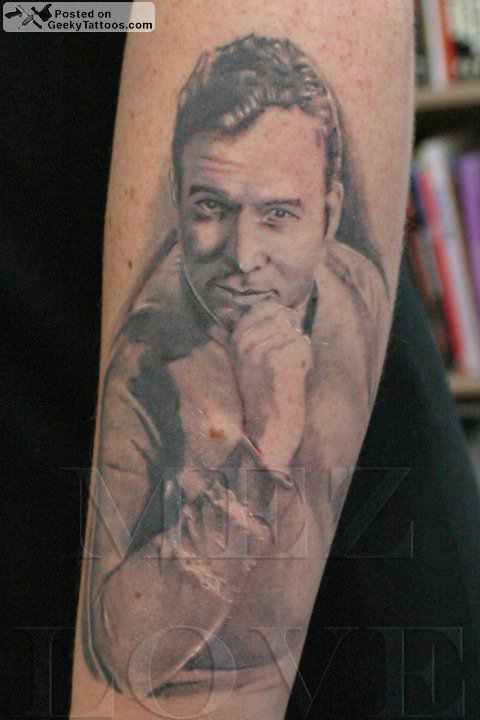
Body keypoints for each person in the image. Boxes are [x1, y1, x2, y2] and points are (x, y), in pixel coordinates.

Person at [81, 34, 390, 704]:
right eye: (211, 208)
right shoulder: (144, 363)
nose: (243, 257)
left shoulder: (354, 284)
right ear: (181, 202)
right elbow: (117, 646)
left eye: (278, 215)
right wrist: (261, 456)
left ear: (330, 214)